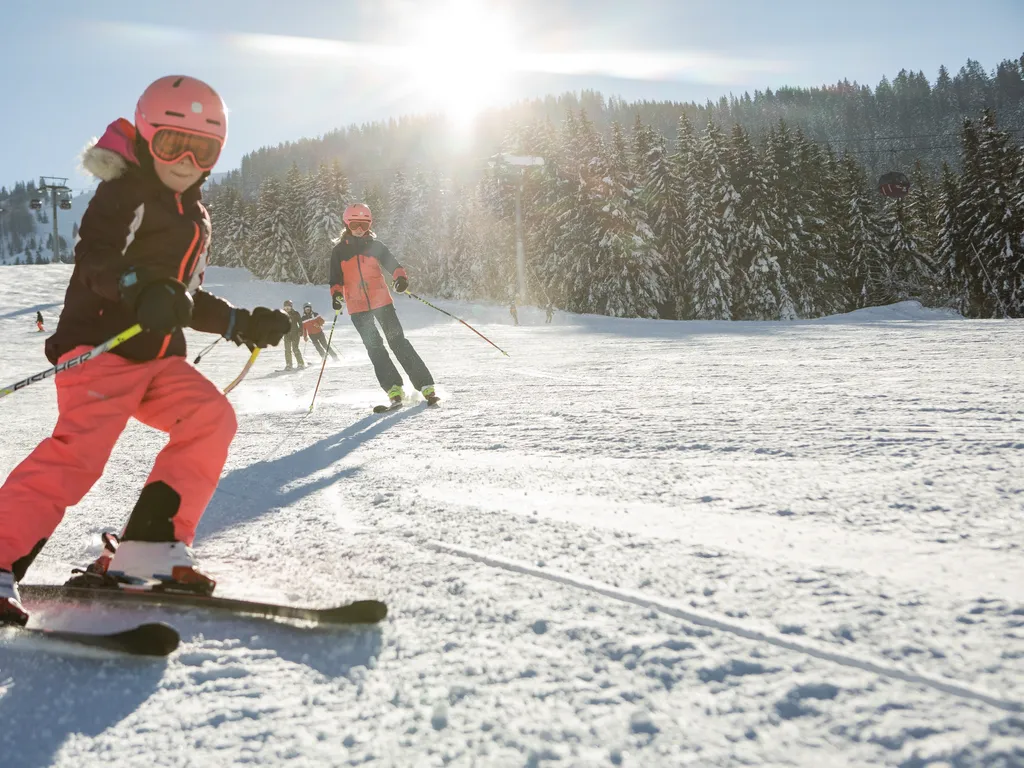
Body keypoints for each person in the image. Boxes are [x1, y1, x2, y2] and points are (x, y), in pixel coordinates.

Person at [0, 75, 291, 627]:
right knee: (78, 455)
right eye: (170, 144)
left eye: (201, 149)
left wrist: (237, 321)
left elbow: (181, 298)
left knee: (211, 418)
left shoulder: (194, 216)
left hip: (156, 356)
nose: (185, 159)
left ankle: (150, 546)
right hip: (102, 347)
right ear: (146, 138)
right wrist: (139, 289)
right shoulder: (125, 191)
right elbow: (96, 260)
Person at [330, 203, 438, 407]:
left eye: (363, 224)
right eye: (354, 224)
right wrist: (336, 296)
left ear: (369, 224)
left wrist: (400, 279)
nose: (359, 229)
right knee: (375, 347)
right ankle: (393, 388)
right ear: (346, 224)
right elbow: (335, 279)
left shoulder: (376, 246)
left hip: (382, 302)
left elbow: (394, 265)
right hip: (357, 306)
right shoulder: (339, 252)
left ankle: (425, 385)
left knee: (398, 341)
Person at [281, 299, 306, 370]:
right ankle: (289, 364)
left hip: (295, 334)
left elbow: (300, 323)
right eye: (285, 307)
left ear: (291, 306)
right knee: (287, 350)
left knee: (295, 348)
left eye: (288, 306)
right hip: (286, 334)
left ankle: (301, 363)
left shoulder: (295, 313)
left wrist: (300, 331)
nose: (287, 308)